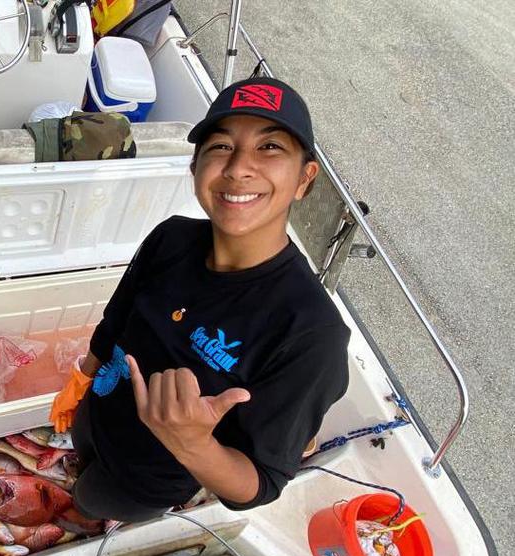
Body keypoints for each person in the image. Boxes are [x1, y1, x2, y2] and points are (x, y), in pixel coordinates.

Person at [49, 77, 351, 522]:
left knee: (89, 501)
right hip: (97, 412)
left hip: (148, 476)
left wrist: (193, 444)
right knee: (82, 458)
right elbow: (115, 320)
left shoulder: (310, 332)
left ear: (305, 179)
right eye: (221, 147)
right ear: (195, 167)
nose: (238, 168)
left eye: (270, 148)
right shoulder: (170, 237)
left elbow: (262, 483)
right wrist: (82, 379)